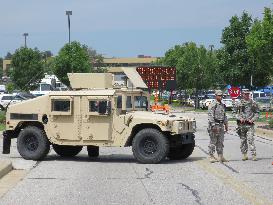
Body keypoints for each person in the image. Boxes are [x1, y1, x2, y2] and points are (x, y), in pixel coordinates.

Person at [234, 90, 259, 161]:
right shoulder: (238, 103)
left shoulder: (253, 103)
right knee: (243, 140)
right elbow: (234, 113)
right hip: (241, 125)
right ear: (242, 94)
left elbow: (257, 113)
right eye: (245, 94)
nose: (247, 95)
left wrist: (253, 119)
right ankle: (244, 155)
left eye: (248, 94)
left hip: (249, 125)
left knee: (250, 139)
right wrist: (239, 118)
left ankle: (253, 155)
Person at [208, 90, 228, 163]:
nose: (220, 97)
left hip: (221, 125)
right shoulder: (213, 104)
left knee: (220, 141)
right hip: (215, 125)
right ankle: (211, 156)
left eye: (221, 95)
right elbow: (210, 116)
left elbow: (224, 115)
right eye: (219, 95)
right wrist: (213, 125)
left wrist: (226, 124)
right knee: (213, 141)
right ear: (215, 96)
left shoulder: (222, 105)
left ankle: (220, 156)